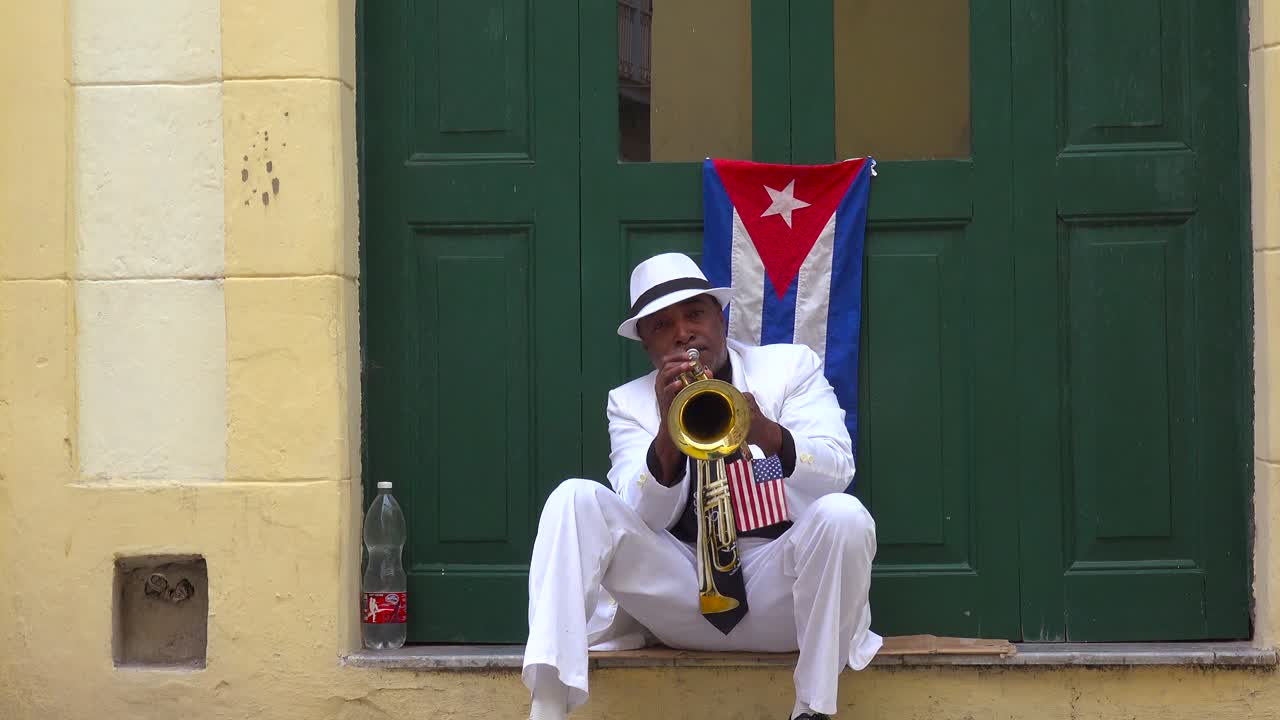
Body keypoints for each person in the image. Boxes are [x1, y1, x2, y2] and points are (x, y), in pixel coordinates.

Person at [523, 253, 880, 720]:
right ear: (648, 343)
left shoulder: (789, 368)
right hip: (681, 599)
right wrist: (667, 440)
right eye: (662, 325)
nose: (683, 333)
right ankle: (547, 707)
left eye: (695, 314)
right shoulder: (628, 403)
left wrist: (767, 437)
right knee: (571, 498)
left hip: (786, 599)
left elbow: (837, 472)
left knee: (845, 516)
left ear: (720, 316)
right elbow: (640, 516)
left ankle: (811, 708)